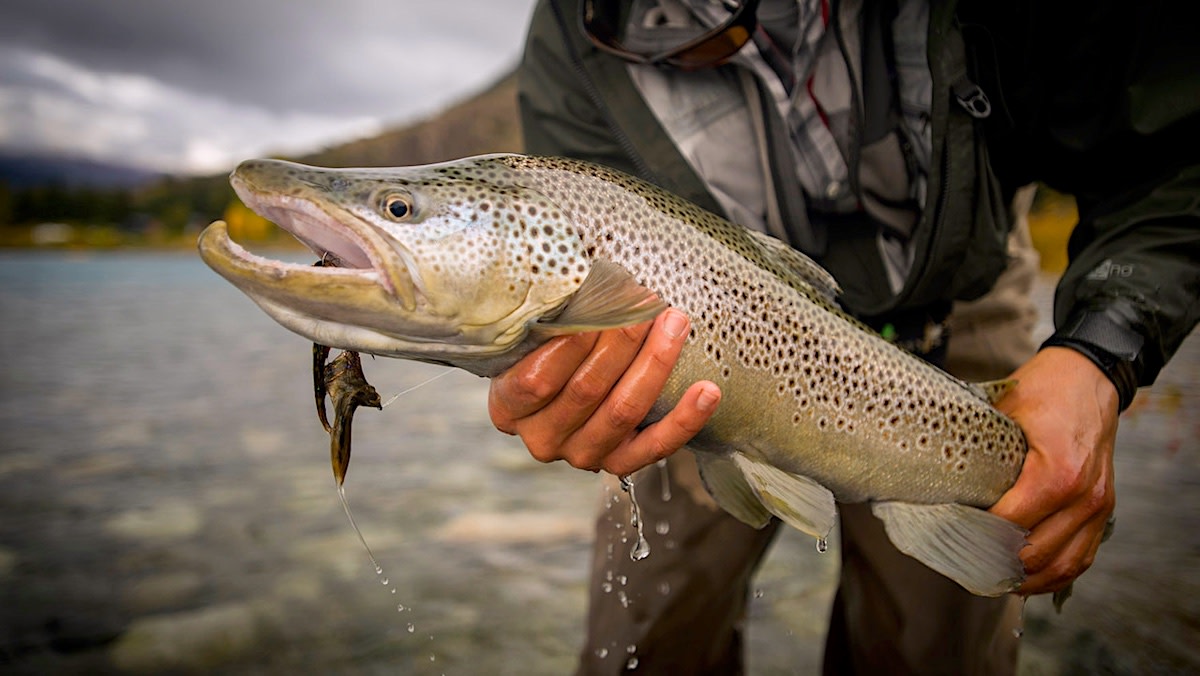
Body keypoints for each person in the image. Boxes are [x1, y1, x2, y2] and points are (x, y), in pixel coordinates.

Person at [489, 0, 1200, 673]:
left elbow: (1174, 159)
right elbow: (580, 227)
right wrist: (574, 384)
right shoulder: (578, 25)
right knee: (642, 643)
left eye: (399, 209)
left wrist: (1100, 354)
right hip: (701, 329)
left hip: (960, 296)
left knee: (934, 650)